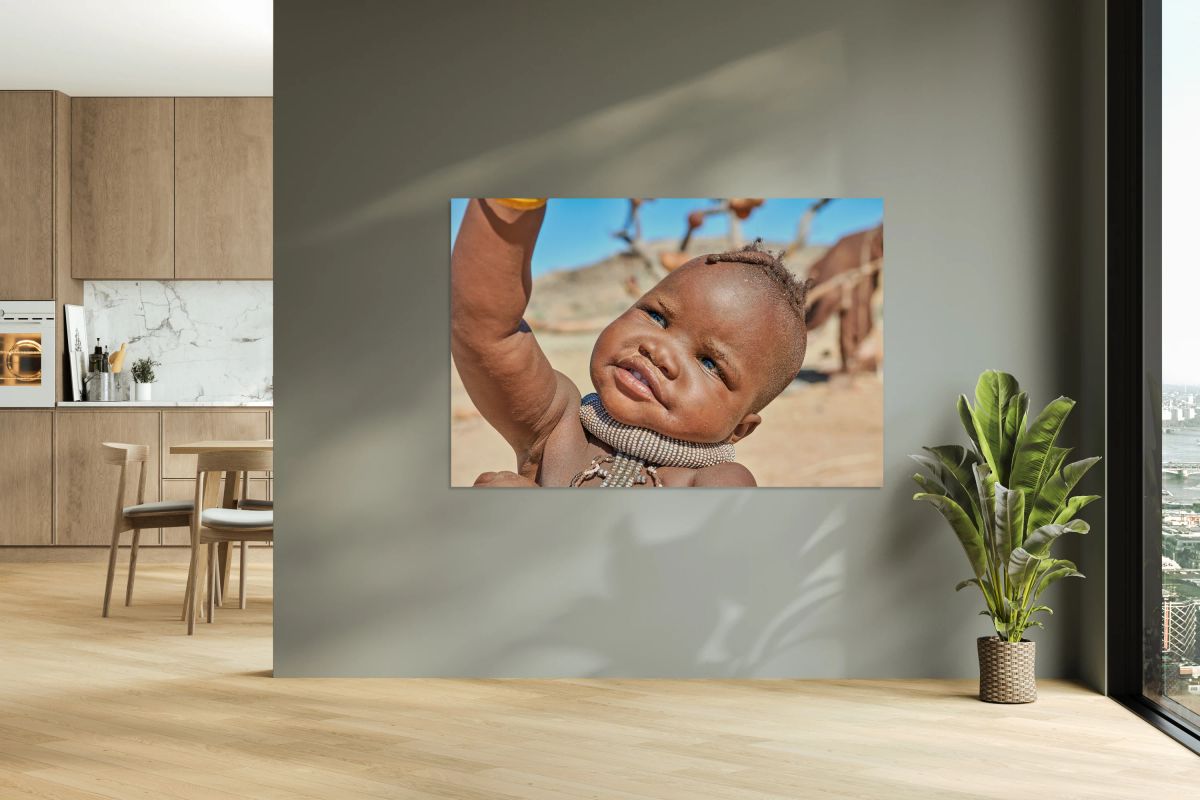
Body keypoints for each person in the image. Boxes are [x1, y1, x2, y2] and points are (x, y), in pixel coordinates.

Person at [452, 198, 812, 488]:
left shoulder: (713, 482)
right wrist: (511, 202)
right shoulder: (557, 424)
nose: (660, 351)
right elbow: (486, 330)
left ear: (738, 430)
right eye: (657, 317)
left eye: (709, 363)